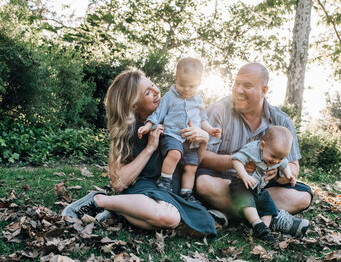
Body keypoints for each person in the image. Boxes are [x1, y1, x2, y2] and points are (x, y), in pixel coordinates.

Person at [62, 69, 216, 236]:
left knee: (196, 223)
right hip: (144, 190)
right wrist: (150, 148)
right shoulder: (128, 132)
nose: (157, 91)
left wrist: (203, 140)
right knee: (169, 218)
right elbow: (119, 183)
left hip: (171, 192)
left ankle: (123, 211)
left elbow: (193, 164)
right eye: (148, 92)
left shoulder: (176, 115)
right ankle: (99, 200)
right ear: (134, 105)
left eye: (153, 85)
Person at [195, 62, 312, 238]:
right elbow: (201, 157)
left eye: (247, 85)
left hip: (262, 186)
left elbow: (294, 166)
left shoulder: (282, 121)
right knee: (203, 184)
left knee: (302, 197)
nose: (238, 90)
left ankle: (228, 214)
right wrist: (238, 162)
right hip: (225, 182)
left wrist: (278, 174)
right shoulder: (218, 110)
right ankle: (271, 218)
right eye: (237, 83)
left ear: (264, 90)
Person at [138, 58, 221, 203]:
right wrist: (147, 126)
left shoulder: (198, 101)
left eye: (192, 86)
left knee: (191, 167)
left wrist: (210, 130)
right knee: (174, 154)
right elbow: (158, 114)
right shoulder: (169, 97)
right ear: (176, 78)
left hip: (191, 141)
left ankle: (186, 192)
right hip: (172, 135)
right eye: (183, 84)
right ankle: (165, 180)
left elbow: (202, 119)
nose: (187, 89)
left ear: (200, 83)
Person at [230, 126, 297, 241]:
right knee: (245, 198)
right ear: (262, 145)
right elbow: (236, 160)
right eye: (273, 157)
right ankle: (257, 223)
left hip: (259, 187)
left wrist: (288, 175)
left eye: (280, 158)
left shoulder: (278, 156)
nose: (276, 161)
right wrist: (244, 176)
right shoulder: (252, 150)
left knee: (268, 204)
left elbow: (284, 164)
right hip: (241, 183)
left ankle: (264, 230)